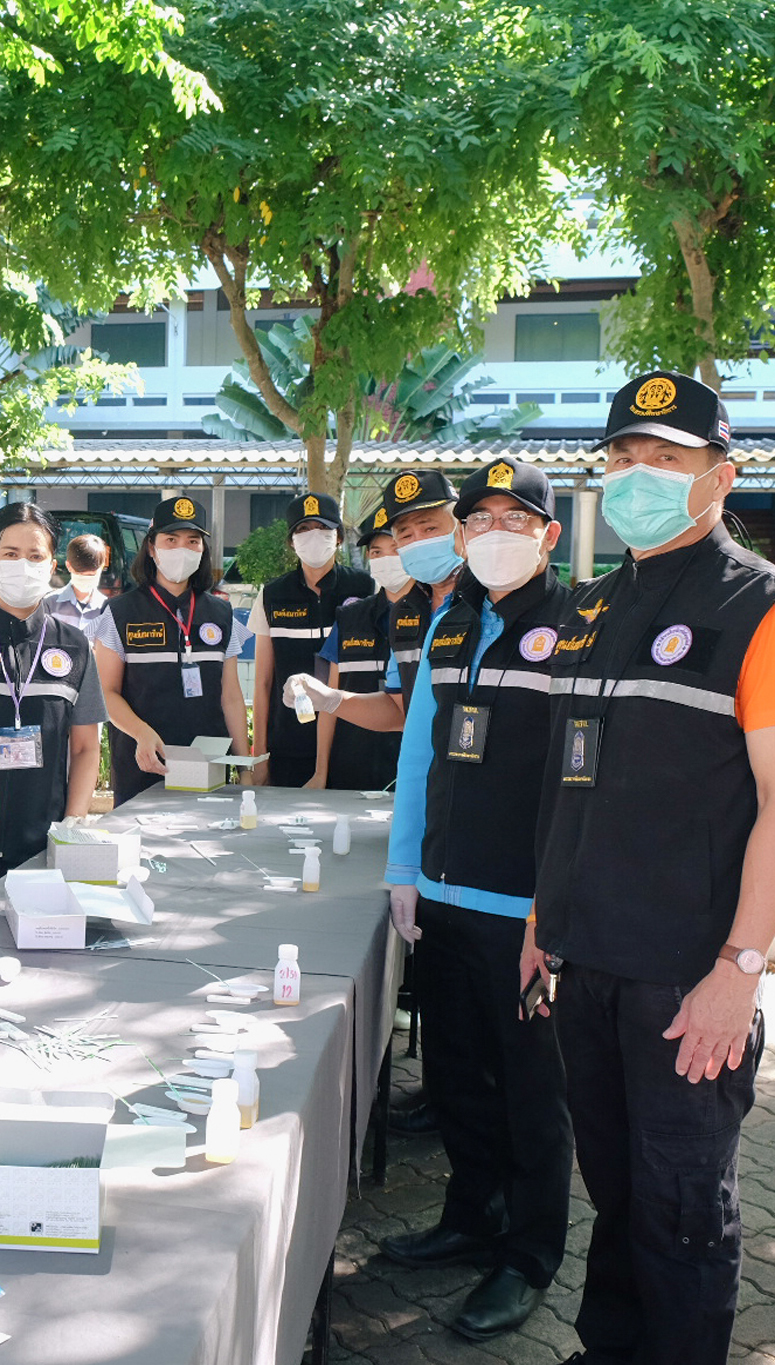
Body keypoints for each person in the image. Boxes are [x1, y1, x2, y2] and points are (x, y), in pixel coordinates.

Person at [525, 373, 775, 1365]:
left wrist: (735, 974)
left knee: (682, 1207)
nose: (635, 476)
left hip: (684, 974)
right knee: (613, 1189)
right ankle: (608, 1350)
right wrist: (541, 919)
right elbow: (568, 786)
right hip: (586, 960)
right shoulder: (590, 605)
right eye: (620, 458)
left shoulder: (768, 608)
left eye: (664, 458)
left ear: (720, 477)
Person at [300, 457, 575, 1339]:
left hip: (525, 910)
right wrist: (404, 870)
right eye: (480, 519)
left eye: (514, 518)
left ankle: (528, 1253)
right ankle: (471, 1215)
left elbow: (583, 786)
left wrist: (553, 909)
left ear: (549, 534)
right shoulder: (454, 620)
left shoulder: (577, 626)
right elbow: (418, 751)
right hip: (446, 896)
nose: (494, 533)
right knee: (456, 1072)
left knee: (533, 1092)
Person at [291, 467, 464, 1136]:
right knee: (442, 972)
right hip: (427, 814)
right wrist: (334, 699)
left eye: (431, 527)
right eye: (401, 534)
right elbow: (398, 708)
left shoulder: (491, 602)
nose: (414, 543)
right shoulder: (409, 612)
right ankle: (443, 1097)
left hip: (486, 823)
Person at [0, 504, 108, 884]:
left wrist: (72, 822)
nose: (23, 565)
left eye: (35, 556)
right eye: (10, 555)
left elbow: (85, 747)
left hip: (41, 845)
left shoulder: (74, 646)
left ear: (52, 567)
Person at [92, 497, 252, 806]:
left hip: (209, 765)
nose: (183, 549)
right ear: (151, 548)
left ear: (203, 550)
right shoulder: (120, 611)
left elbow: (231, 695)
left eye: (193, 541)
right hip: (144, 763)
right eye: (171, 539)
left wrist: (245, 765)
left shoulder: (221, 612)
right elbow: (106, 692)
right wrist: (141, 733)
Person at [248, 492, 374, 787]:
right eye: (303, 530)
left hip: (353, 742)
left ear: (339, 537)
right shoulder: (272, 595)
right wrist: (261, 757)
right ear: (291, 541)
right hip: (288, 745)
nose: (313, 536)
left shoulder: (367, 587)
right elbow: (263, 683)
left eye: (323, 528)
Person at [308, 491, 415, 790]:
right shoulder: (350, 617)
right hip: (350, 764)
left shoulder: (436, 617)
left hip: (409, 767)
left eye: (394, 549)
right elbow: (331, 698)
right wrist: (320, 771)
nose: (385, 559)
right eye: (376, 552)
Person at [42, 532, 113, 637]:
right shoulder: (49, 603)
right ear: (68, 566)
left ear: (102, 567)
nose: (85, 579)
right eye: (79, 574)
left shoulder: (106, 609)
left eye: (91, 574)